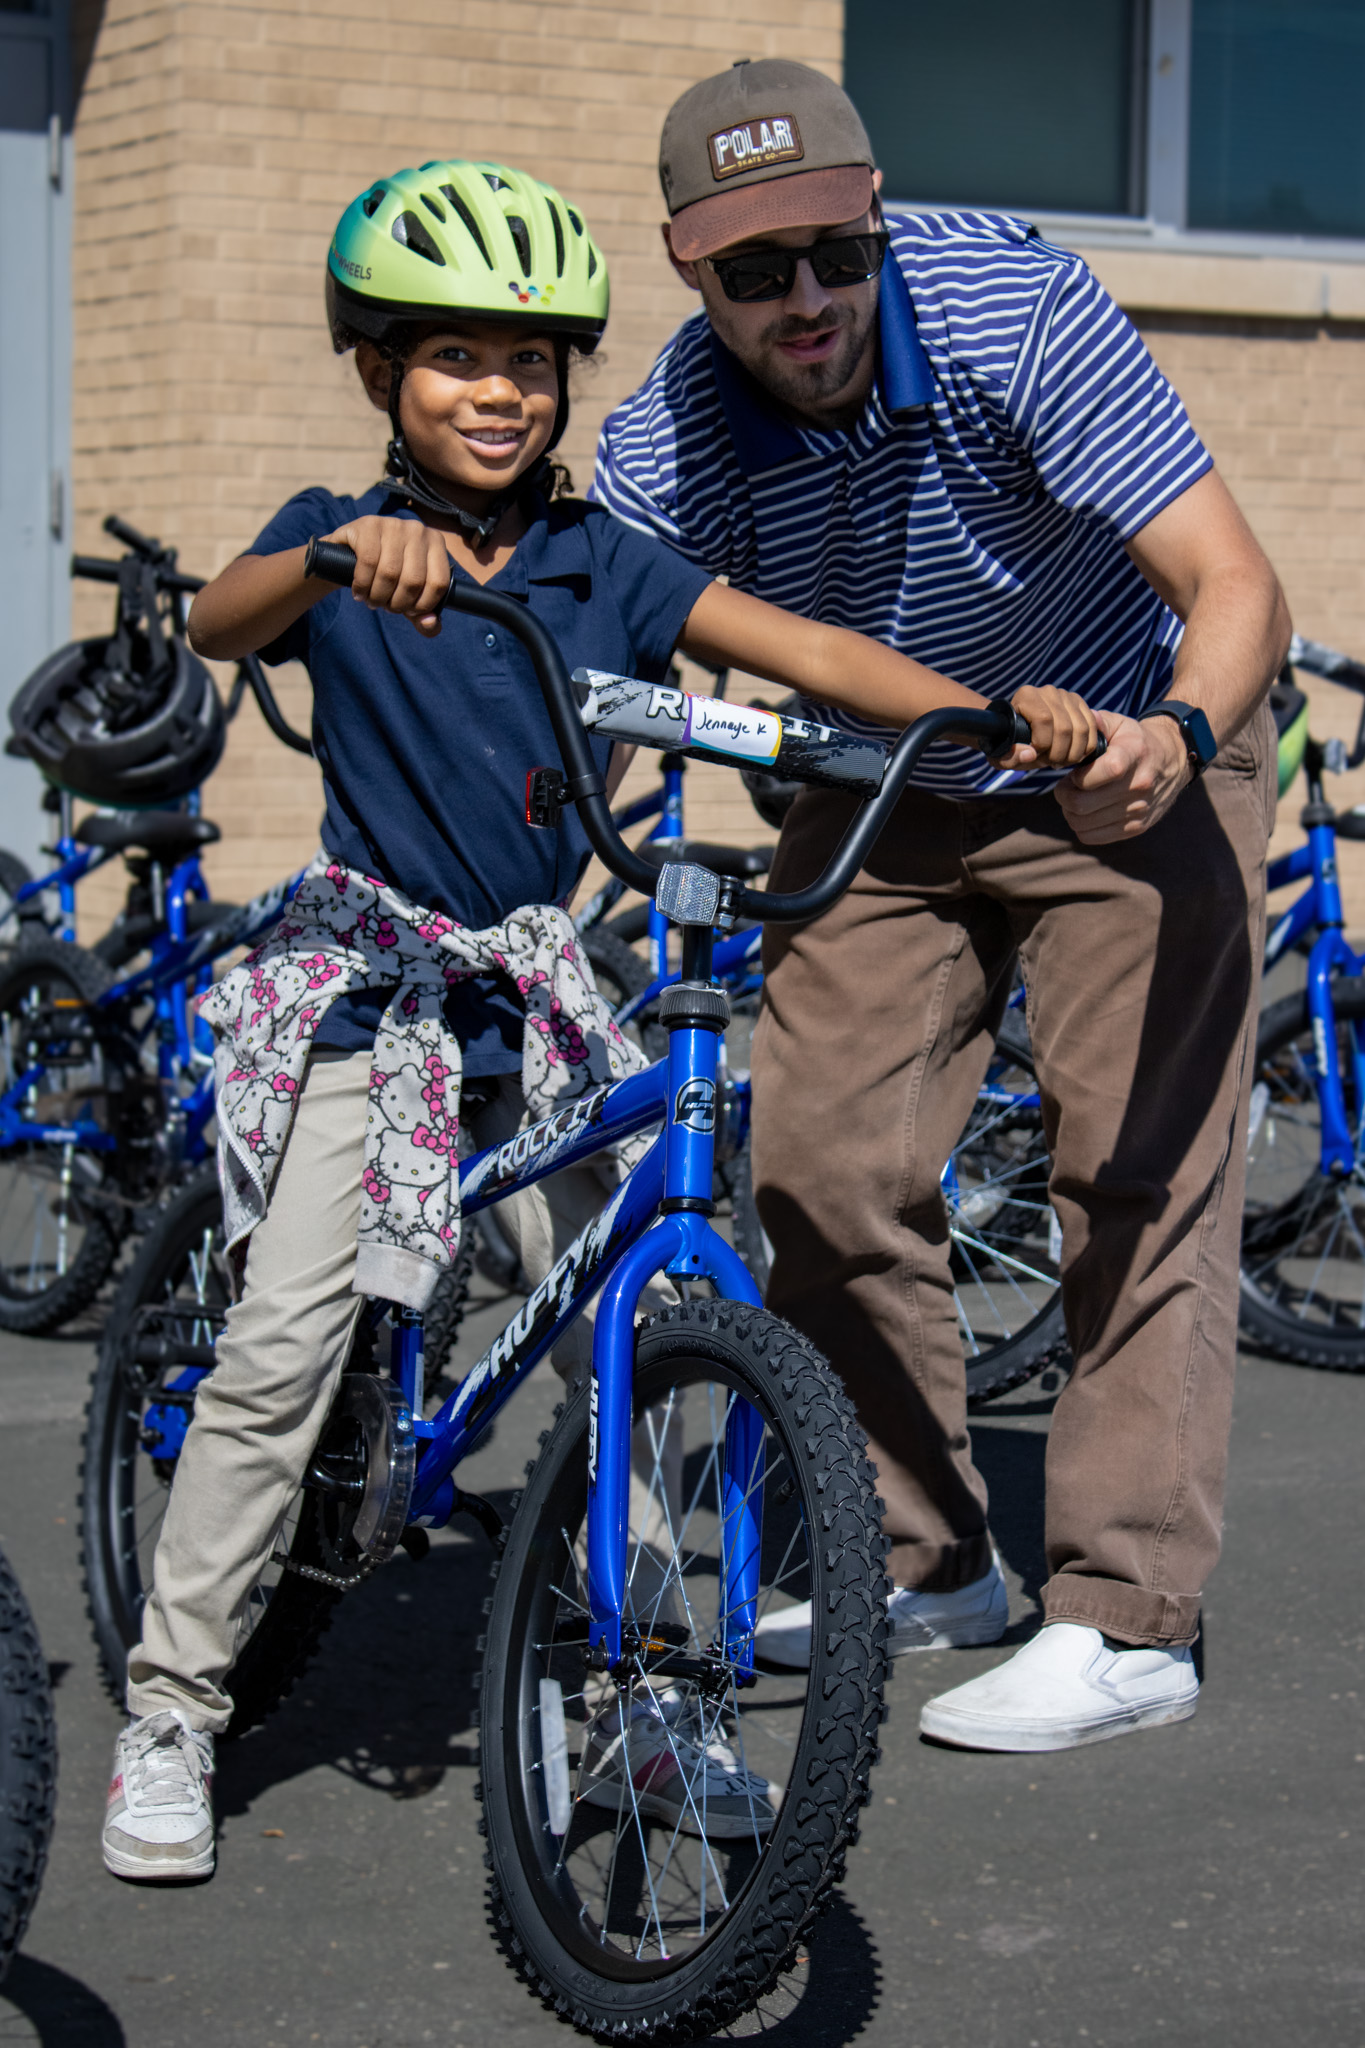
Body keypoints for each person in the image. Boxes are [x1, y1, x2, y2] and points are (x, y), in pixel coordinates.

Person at [100, 157, 1095, 1883]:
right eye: (456, 361)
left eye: (533, 363)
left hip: (541, 979)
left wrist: (998, 715)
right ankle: (174, 1712)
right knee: (280, 1351)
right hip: (381, 986)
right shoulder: (341, 532)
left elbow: (802, 648)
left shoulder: (599, 563)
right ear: (378, 377)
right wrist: (340, 557)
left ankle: (638, 1698)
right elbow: (219, 621)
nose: (499, 394)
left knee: (631, 1337)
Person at [595, 59, 1291, 1752]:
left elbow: (1230, 581)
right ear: (693, 275)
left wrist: (1175, 735)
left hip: (1115, 738)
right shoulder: (658, 444)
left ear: (877, 219)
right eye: (756, 274)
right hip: (881, 787)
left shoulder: (1011, 308)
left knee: (1135, 1166)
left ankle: (1126, 1620)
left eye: (836, 251)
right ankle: (925, 1559)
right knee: (820, 1164)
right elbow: (597, 682)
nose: (809, 301)